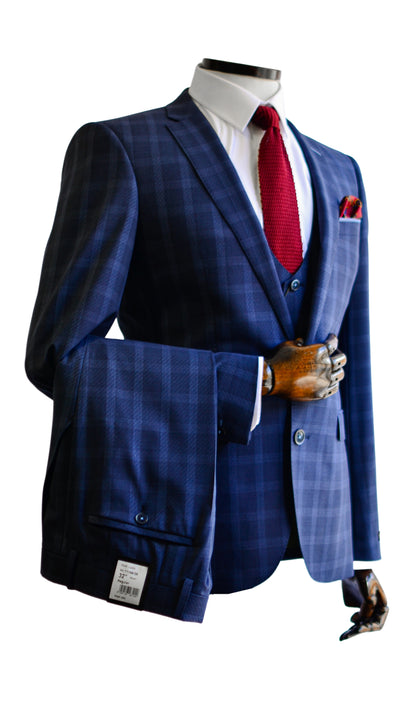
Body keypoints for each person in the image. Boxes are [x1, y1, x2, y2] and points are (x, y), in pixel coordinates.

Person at [25, 59, 387, 637]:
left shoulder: (339, 170)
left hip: (319, 556)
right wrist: (261, 379)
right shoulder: (124, 148)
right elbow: (60, 356)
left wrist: (359, 551)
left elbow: (353, 372)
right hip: (187, 541)